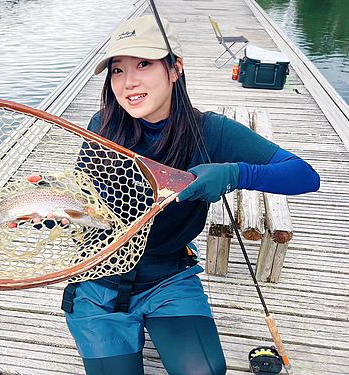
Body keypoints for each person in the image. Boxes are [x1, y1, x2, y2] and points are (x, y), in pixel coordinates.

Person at [61, 15, 320, 375]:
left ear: (175, 69)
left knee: (204, 371)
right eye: (117, 70)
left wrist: (234, 173)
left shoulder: (210, 131)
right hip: (98, 280)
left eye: (144, 64)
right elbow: (82, 199)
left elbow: (304, 176)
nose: (128, 82)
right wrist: (53, 210)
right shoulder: (101, 125)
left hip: (169, 274)